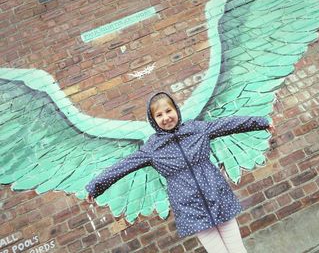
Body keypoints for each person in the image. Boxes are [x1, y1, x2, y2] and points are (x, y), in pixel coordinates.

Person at [86, 91, 275, 253]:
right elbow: (123, 166)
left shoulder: (197, 129)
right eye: (159, 115)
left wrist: (261, 122)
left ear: (176, 110)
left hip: (217, 195)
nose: (166, 117)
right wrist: (96, 186)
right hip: (190, 207)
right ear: (153, 120)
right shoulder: (152, 148)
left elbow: (229, 124)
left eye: (168, 111)